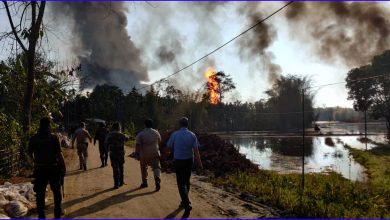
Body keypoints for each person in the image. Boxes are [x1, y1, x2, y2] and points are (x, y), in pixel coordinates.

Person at [28, 117, 66, 219]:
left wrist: (35, 161)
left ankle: (41, 215)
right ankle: (57, 214)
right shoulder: (53, 138)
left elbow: (30, 152)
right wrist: (64, 167)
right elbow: (59, 155)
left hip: (40, 169)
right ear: (49, 125)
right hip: (53, 168)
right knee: (56, 192)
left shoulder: (34, 138)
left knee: (40, 193)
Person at [166, 117, 203, 213]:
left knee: (181, 182)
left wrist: (167, 155)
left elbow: (169, 146)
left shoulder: (175, 134)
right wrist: (200, 163)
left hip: (178, 160)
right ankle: (184, 201)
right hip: (189, 160)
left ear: (180, 124)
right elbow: (196, 150)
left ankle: (186, 203)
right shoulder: (192, 135)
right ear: (187, 124)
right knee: (187, 181)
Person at [135, 119, 162, 191]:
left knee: (143, 167)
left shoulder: (141, 134)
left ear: (145, 125)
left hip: (144, 153)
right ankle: (157, 179)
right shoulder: (156, 132)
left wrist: (137, 153)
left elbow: (137, 145)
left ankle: (144, 182)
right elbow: (159, 141)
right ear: (152, 125)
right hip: (154, 152)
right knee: (156, 167)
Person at [105, 122, 127, 189]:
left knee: (115, 168)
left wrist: (107, 150)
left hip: (113, 153)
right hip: (120, 153)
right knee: (121, 167)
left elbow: (106, 143)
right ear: (118, 127)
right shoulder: (121, 134)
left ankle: (116, 184)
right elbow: (127, 139)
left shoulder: (109, 135)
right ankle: (121, 181)